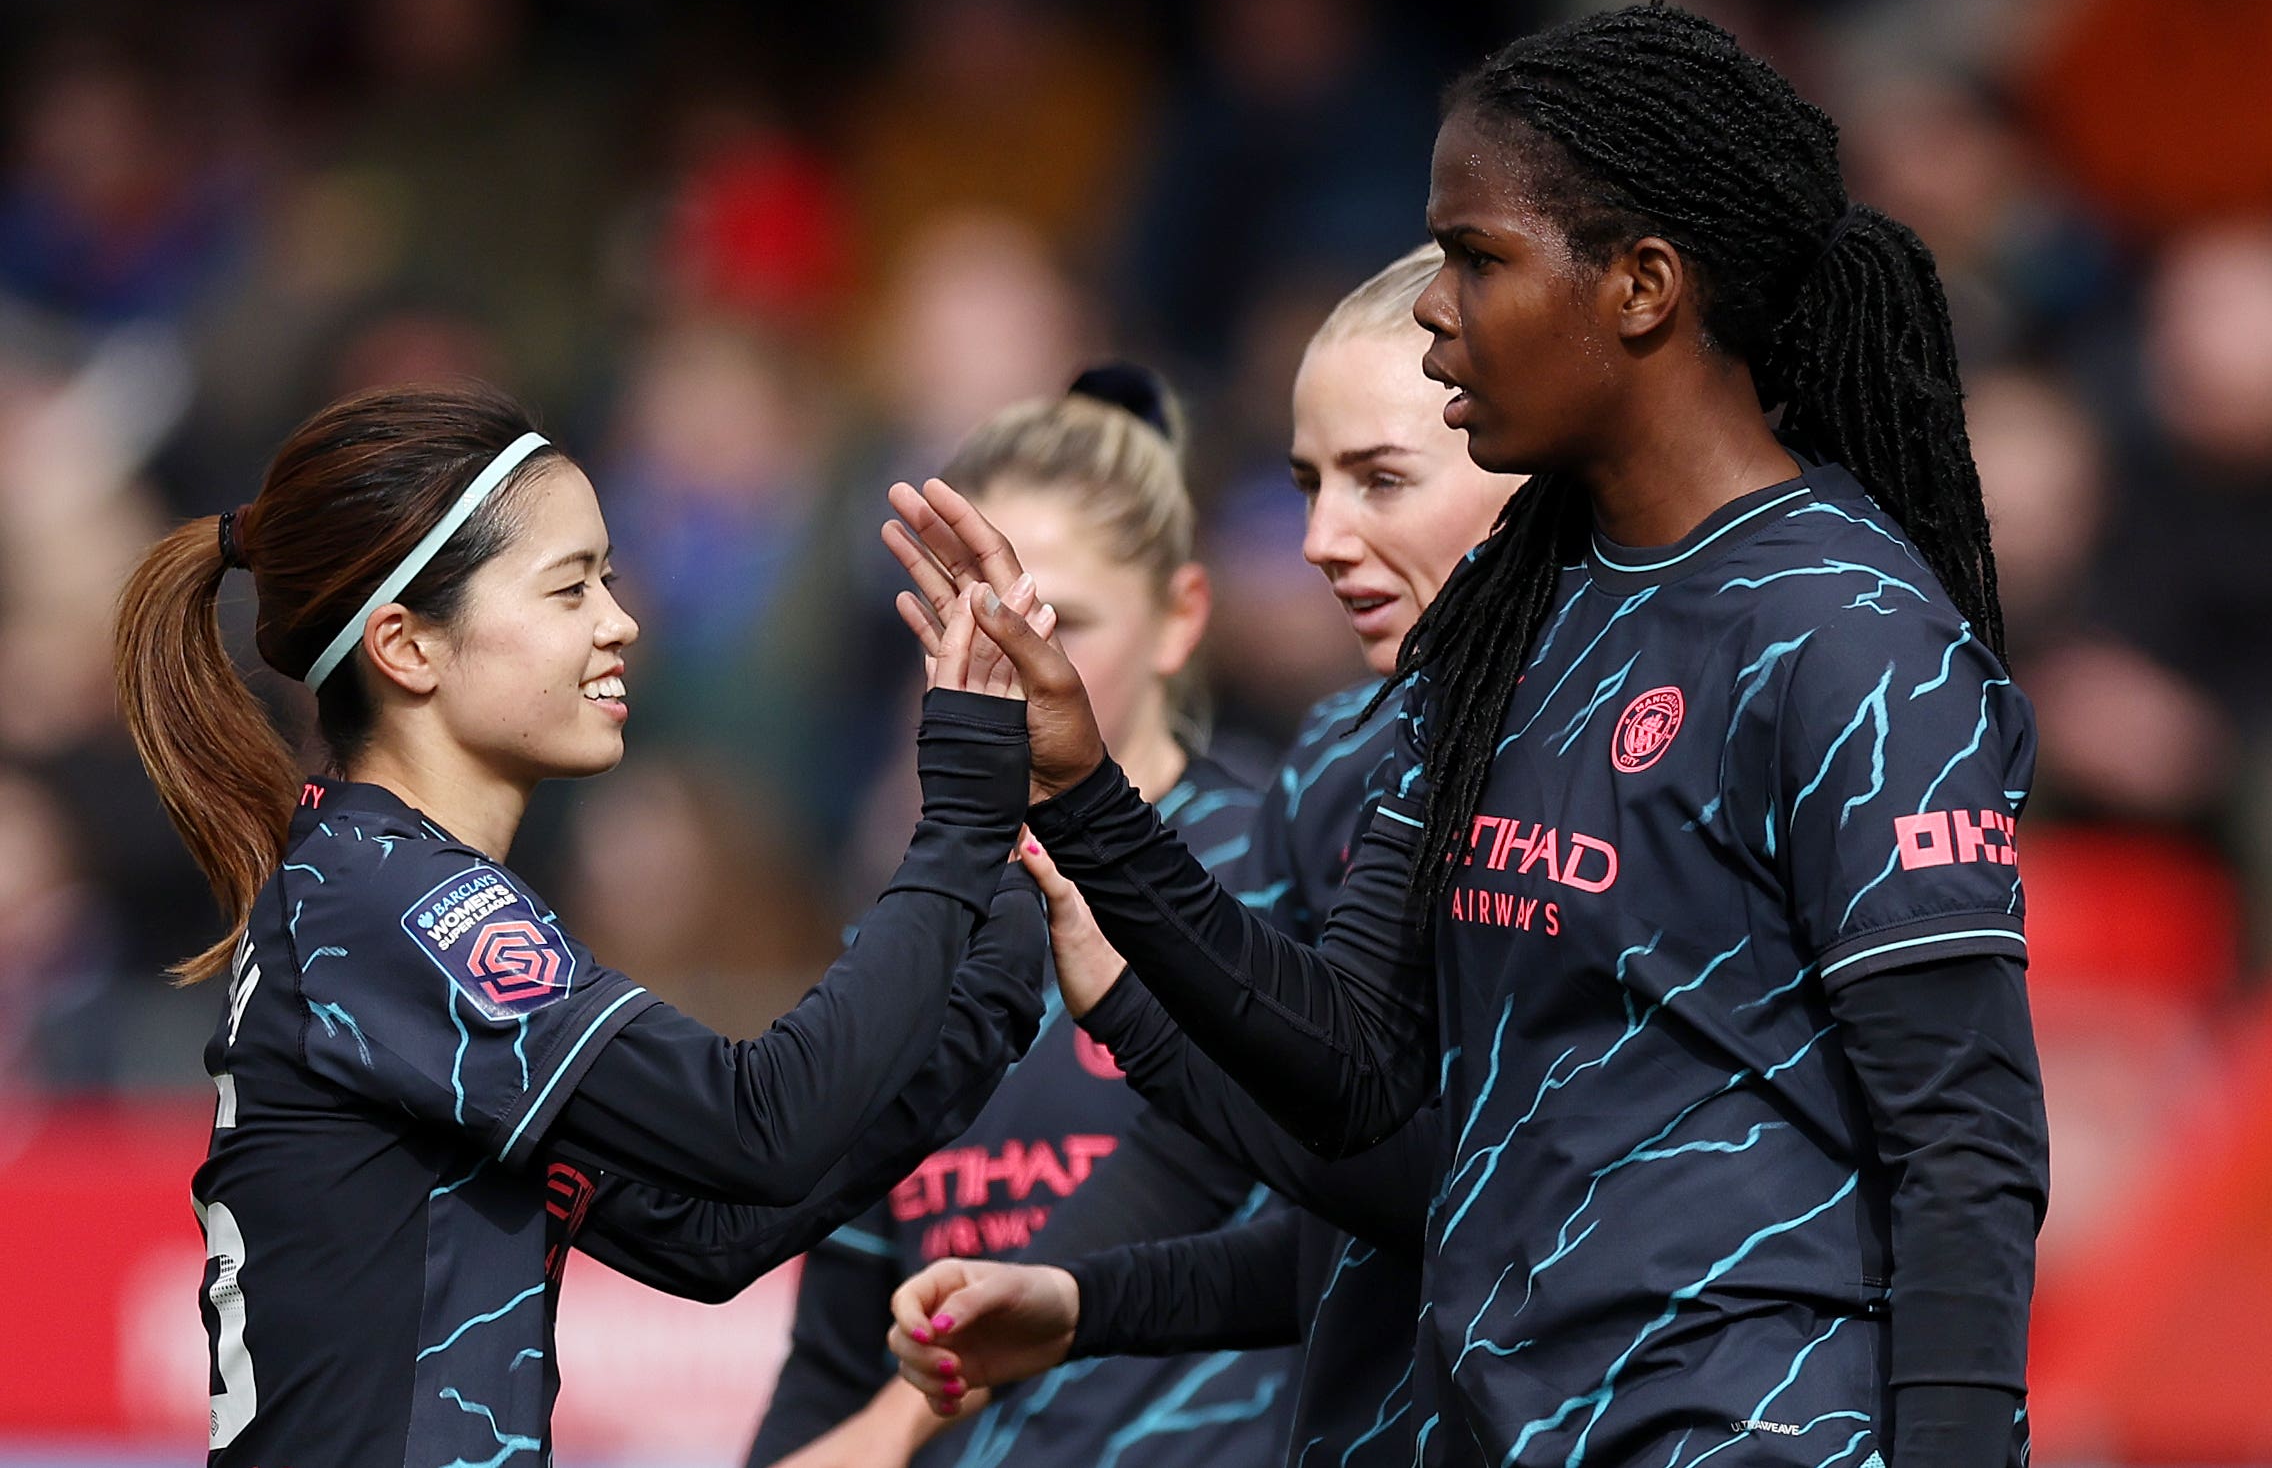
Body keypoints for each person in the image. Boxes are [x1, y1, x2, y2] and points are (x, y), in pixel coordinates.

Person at [884, 4, 2049, 1468]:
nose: (1434, 307)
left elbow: (1967, 1139)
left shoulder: (1850, 628)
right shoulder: (1507, 623)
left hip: (1750, 1427)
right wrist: (1092, 798)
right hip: (1495, 1424)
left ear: (1641, 286)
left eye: (1476, 257)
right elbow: (1364, 1080)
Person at [111, 382, 1052, 1467]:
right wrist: (965, 809)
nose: (620, 621)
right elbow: (761, 1124)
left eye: (607, 576)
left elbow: (708, 1233)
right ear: (407, 647)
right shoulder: (398, 906)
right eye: (570, 589)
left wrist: (996, 966)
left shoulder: (378, 892)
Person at [878, 245, 1517, 1468]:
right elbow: (1363, 1208)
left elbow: (1420, 1178)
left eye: (1381, 478)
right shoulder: (1352, 753)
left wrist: (1121, 974)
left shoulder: (1631, 726)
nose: (1321, 536)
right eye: (1305, 484)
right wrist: (1070, 1301)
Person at [746, 367, 1293, 1468]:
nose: (1016, 663)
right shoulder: (912, 924)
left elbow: (1350, 1225)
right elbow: (841, 1330)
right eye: (970, 621)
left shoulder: (1286, 866)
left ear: (1182, 618)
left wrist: (900, 1422)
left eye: (1062, 621)